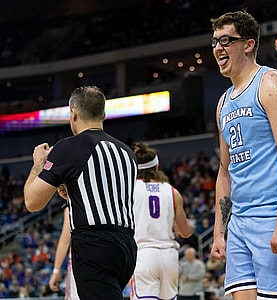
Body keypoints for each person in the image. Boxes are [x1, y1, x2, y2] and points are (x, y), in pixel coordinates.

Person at [209, 10, 277, 300]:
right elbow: (224, 171)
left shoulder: (270, 84)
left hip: (275, 216)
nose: (218, 48)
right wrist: (219, 232)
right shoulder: (223, 103)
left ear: (248, 44)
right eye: (215, 41)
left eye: (226, 40)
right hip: (241, 222)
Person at [23, 86, 138, 299]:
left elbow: (32, 202)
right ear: (103, 114)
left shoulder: (69, 147)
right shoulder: (126, 152)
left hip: (93, 244)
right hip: (127, 247)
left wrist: (38, 164)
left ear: (73, 113)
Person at [130, 141, 194, 299]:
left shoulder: (129, 190)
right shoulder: (172, 192)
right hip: (169, 256)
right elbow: (186, 232)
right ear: (157, 167)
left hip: (143, 254)